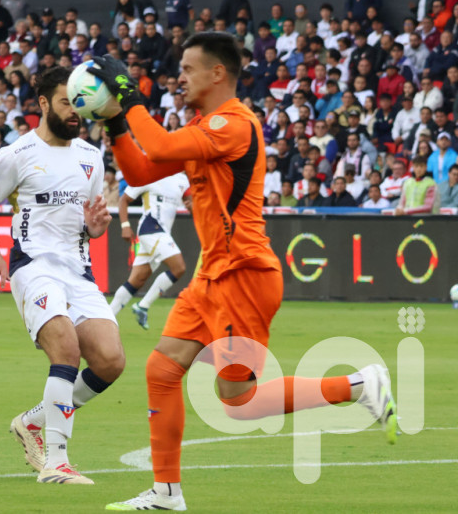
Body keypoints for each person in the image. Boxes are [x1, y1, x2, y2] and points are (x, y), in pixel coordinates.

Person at [89, 33, 397, 511]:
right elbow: (141, 170)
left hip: (243, 275)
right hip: (214, 277)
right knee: (162, 368)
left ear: (218, 73)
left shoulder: (232, 125)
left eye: (189, 68)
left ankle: (359, 385)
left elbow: (160, 143)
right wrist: (114, 122)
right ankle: (167, 492)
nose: (180, 77)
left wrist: (129, 97)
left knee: (238, 400)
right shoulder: (204, 128)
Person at [0, 67, 125, 485]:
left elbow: (91, 223)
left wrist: (96, 226)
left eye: (79, 104)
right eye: (67, 102)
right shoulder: (16, 154)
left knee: (110, 362)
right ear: (42, 104)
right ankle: (57, 461)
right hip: (33, 267)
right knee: (66, 351)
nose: (76, 112)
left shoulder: (91, 156)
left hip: (78, 271)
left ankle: (33, 420)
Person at [109, 173, 191, 329]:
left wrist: (194, 207)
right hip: (150, 228)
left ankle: (106, 318)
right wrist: (125, 226)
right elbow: (124, 200)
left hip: (162, 232)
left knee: (137, 280)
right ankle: (143, 305)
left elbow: (193, 202)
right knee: (179, 267)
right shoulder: (149, 174)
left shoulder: (182, 179)